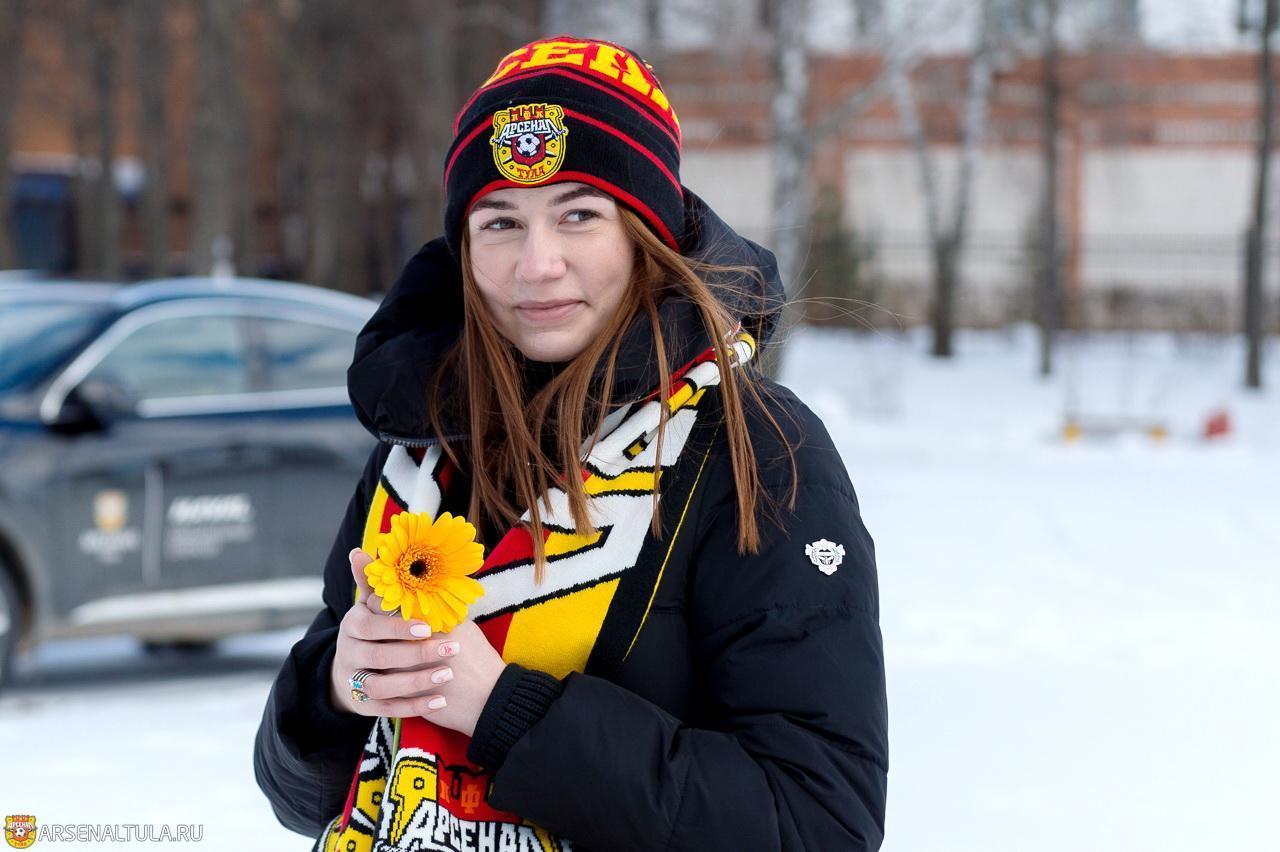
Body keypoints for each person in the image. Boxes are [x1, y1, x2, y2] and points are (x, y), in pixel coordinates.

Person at [254, 33, 888, 852]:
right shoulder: (424, 445)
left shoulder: (757, 449)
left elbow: (816, 824)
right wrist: (337, 691)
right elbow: (300, 794)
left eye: (578, 215)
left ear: (647, 233)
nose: (537, 264)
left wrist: (508, 713)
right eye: (500, 222)